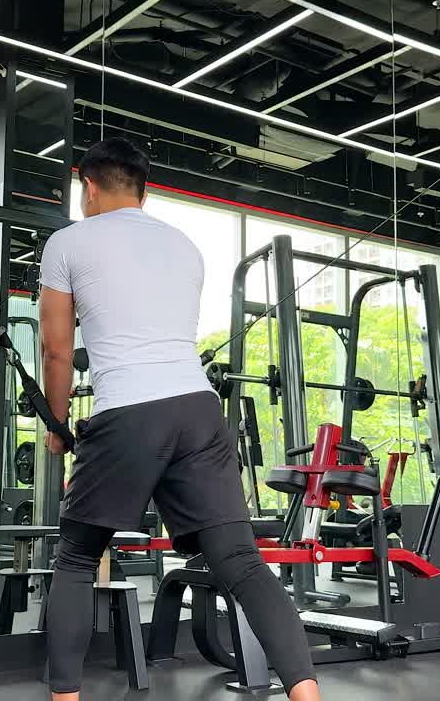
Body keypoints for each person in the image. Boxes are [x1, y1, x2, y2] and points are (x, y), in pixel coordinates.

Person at [37, 138, 320, 701]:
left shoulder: (68, 241)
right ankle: (307, 694)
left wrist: (56, 421)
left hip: (127, 410)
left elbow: (56, 351)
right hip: (198, 409)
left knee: (75, 556)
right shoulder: (184, 244)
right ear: (143, 187)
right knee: (241, 560)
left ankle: (64, 698)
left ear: (87, 186)